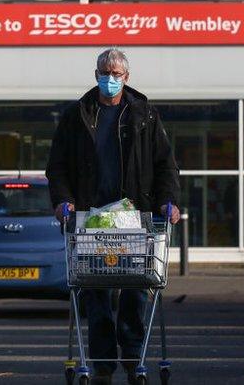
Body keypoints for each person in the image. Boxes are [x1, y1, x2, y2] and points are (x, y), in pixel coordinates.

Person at [46, 48, 180, 385]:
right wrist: (63, 201)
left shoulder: (145, 116)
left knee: (136, 291)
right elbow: (57, 166)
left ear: (127, 77)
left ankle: (134, 359)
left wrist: (169, 202)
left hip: (135, 220)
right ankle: (103, 364)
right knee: (96, 292)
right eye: (105, 72)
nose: (110, 78)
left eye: (116, 73)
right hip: (92, 221)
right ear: (96, 74)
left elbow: (165, 165)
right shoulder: (77, 116)